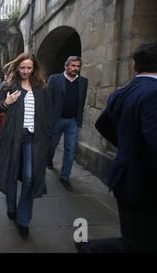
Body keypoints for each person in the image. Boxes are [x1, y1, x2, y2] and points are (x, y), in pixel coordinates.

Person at [76, 42, 157, 253]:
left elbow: (103, 124)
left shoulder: (122, 92)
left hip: (127, 178)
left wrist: (128, 146)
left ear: (135, 66)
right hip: (144, 184)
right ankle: (89, 248)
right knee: (137, 244)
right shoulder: (153, 92)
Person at [0, 53, 50, 238]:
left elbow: (46, 112)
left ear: (34, 69)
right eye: (22, 67)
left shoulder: (40, 87)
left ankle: (23, 219)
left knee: (29, 178)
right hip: (13, 136)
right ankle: (11, 206)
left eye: (29, 68)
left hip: (34, 138)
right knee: (10, 172)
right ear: (17, 67)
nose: (25, 71)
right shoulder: (9, 85)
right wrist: (6, 102)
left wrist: (47, 134)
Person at [47, 56, 88, 191]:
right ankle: (49, 159)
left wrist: (78, 119)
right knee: (52, 144)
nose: (75, 68)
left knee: (70, 150)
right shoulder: (54, 79)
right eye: (73, 66)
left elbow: (81, 102)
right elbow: (48, 99)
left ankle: (65, 177)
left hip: (72, 121)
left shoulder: (83, 82)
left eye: (78, 66)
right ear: (66, 66)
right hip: (56, 119)